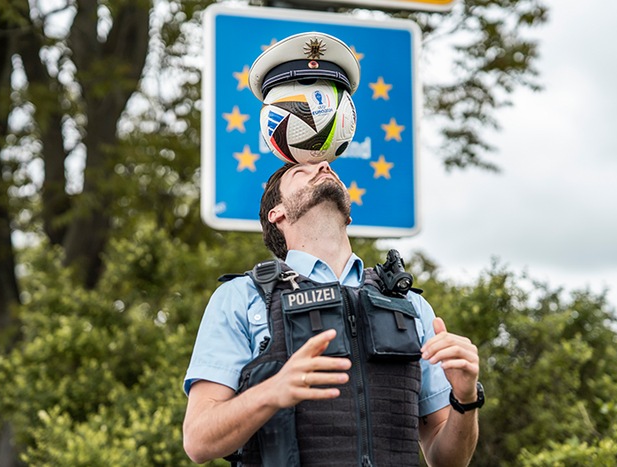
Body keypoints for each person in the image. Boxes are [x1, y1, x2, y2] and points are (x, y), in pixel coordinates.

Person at [183, 32, 483, 466]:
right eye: (299, 172)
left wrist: (464, 397)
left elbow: (445, 458)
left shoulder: (411, 306)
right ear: (277, 214)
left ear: (349, 211)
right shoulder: (241, 298)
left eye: (327, 166)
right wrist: (274, 390)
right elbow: (198, 441)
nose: (322, 164)